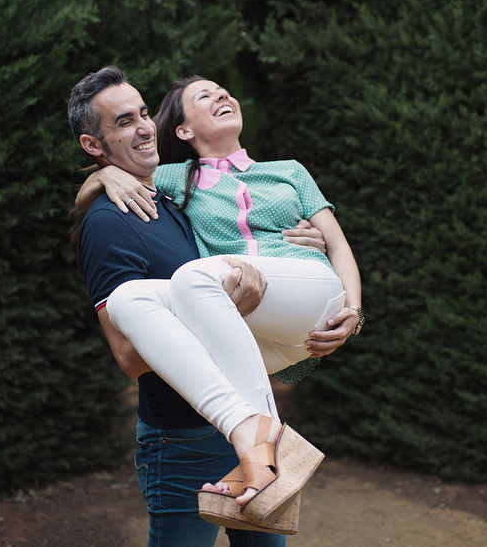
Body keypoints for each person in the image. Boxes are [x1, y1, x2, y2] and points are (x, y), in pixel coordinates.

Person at [77, 74, 364, 530]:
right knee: (130, 298)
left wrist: (352, 308)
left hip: (291, 312)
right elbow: (129, 357)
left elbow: (337, 243)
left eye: (145, 114)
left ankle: (256, 436)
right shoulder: (156, 194)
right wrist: (102, 174)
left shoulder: (271, 175)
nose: (144, 126)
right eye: (125, 121)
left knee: (192, 278)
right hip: (220, 386)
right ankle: (259, 439)